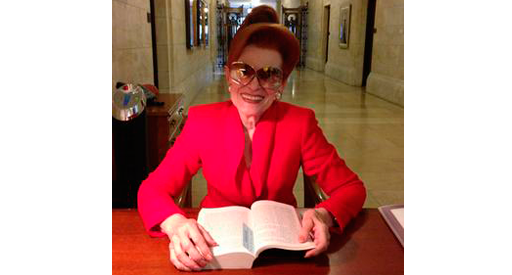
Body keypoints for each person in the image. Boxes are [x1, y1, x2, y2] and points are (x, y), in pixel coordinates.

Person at [138, 5, 366, 271]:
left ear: (281, 84)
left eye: (269, 74)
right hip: (212, 251)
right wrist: (175, 224)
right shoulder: (202, 121)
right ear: (228, 76)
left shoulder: (300, 123)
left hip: (282, 253)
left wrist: (323, 215)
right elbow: (152, 189)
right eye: (243, 71)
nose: (254, 85)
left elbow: (352, 188)